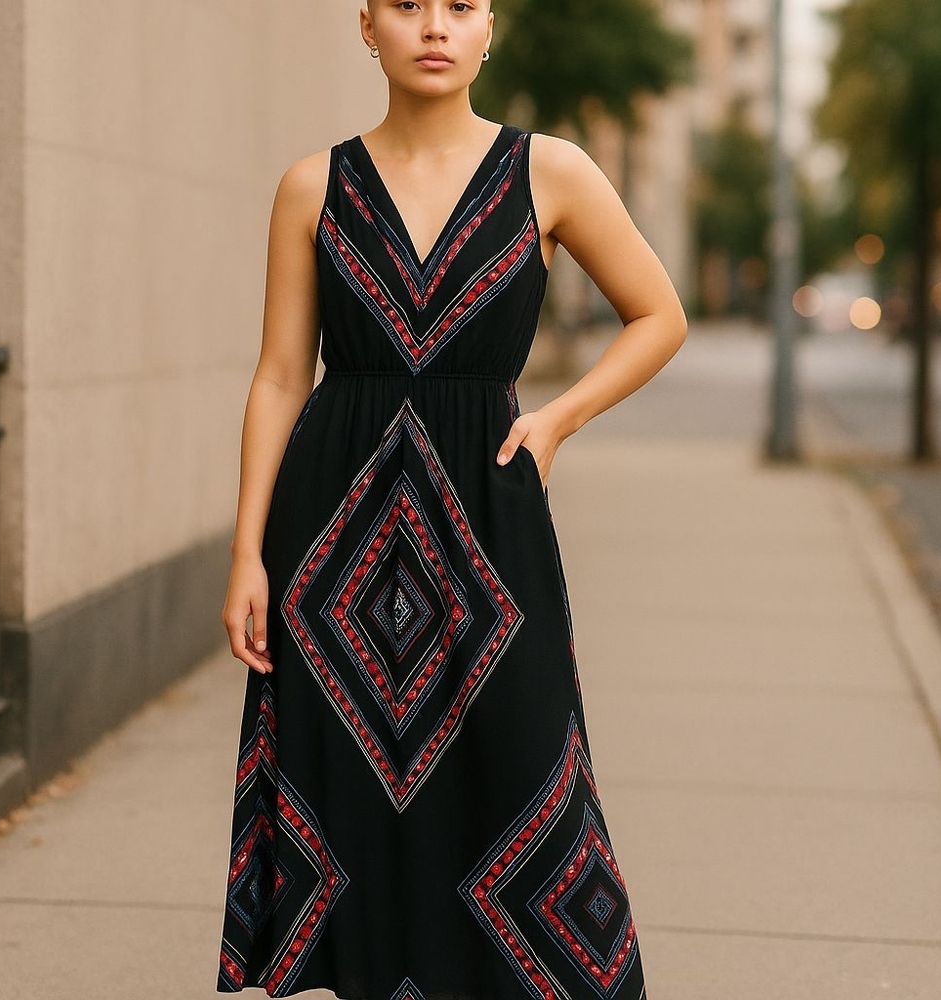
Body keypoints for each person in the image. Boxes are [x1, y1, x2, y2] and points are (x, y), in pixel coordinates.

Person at [216, 1, 687, 997]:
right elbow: (275, 375)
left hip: (489, 527)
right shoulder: (313, 185)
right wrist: (247, 552)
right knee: (355, 806)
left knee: (522, 770)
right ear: (367, 27)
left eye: (460, 6)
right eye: (407, 5)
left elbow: (658, 315)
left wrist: (558, 419)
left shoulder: (548, 170)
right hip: (331, 546)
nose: (433, 25)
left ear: (489, 31)